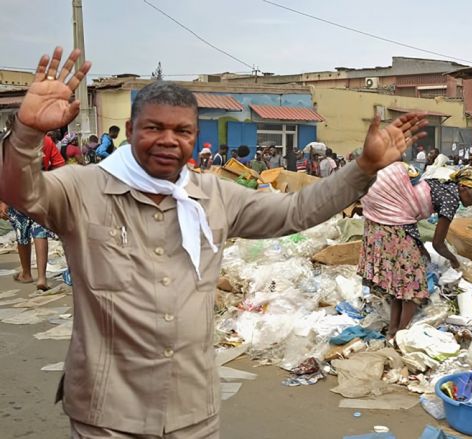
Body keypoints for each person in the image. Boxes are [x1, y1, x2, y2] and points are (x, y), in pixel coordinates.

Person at [0, 47, 429, 437]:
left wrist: (364, 167)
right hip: (108, 412)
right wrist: (26, 133)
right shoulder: (82, 189)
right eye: (154, 128)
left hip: (192, 411)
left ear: (194, 137)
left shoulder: (214, 196)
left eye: (182, 131)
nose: (169, 140)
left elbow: (295, 212)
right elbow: (23, 193)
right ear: (131, 129)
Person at [359, 165, 472, 341]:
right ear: (462, 187)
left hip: (384, 223)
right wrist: (454, 260)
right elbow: (438, 244)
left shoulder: (443, 185)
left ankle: (392, 332)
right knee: (414, 286)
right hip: (394, 225)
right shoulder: (451, 199)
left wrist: (420, 248)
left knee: (399, 284)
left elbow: (411, 214)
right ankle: (400, 336)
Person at [0, 131, 64, 291]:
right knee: (40, 231)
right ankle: (41, 277)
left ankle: (27, 273)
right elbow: (59, 166)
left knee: (22, 233)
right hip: (41, 191)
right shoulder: (46, 141)